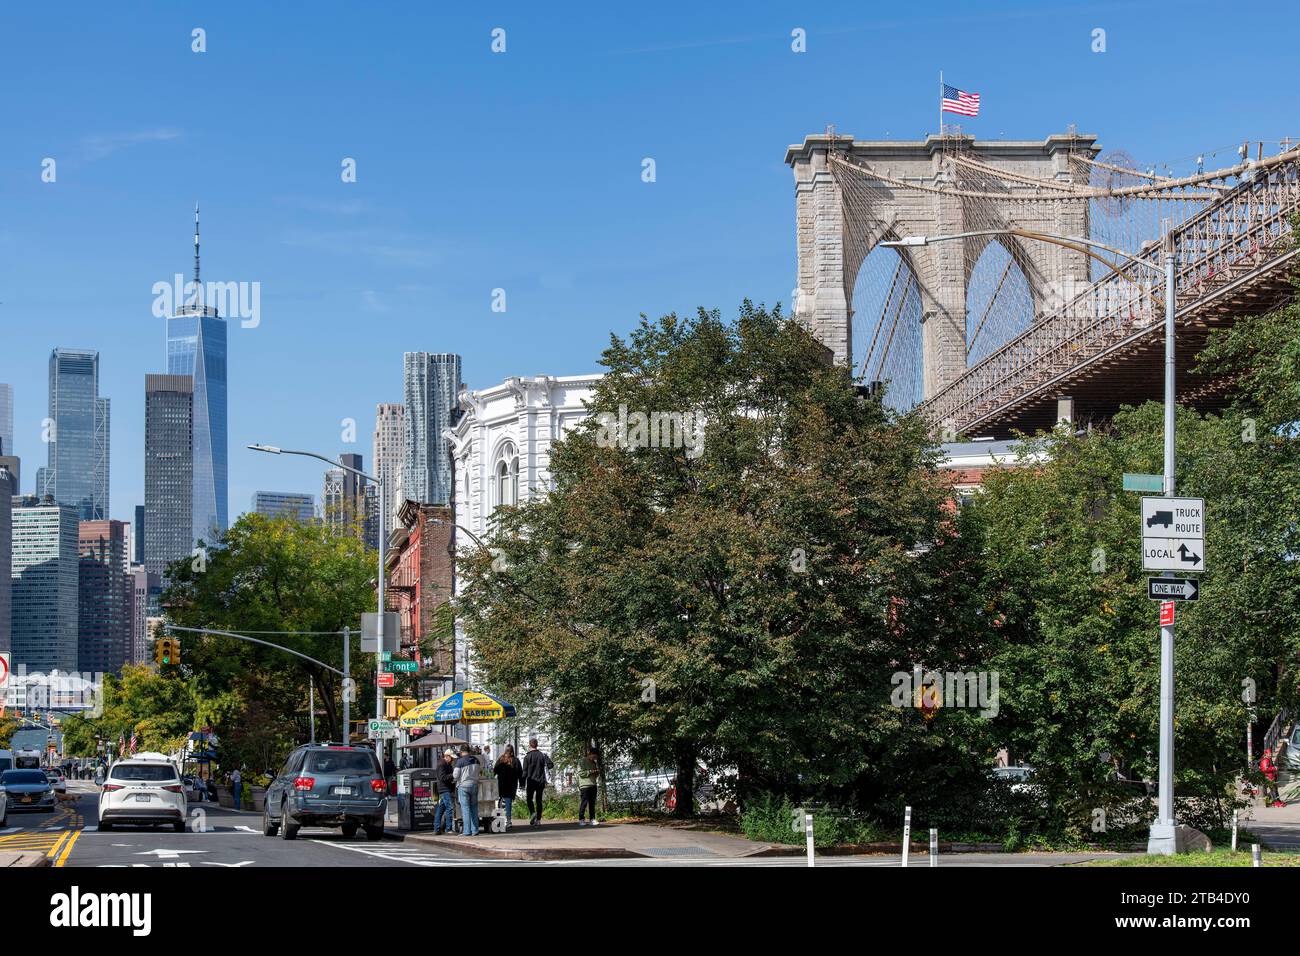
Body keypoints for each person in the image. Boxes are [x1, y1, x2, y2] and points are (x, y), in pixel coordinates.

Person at [522, 738, 554, 826]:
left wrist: (522, 783)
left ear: (529, 745)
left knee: (529, 799)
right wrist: (545, 768)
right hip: (541, 781)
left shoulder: (527, 757)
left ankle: (533, 813)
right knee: (539, 800)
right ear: (537, 745)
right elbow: (551, 765)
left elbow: (524, 772)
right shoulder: (542, 755)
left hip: (531, 781)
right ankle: (539, 820)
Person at [453, 745, 482, 835]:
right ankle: (475, 830)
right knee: (474, 808)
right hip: (474, 785)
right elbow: (480, 772)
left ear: (461, 752)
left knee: (465, 809)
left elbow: (455, 775)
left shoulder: (460, 761)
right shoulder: (476, 760)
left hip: (464, 786)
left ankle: (467, 831)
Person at [493, 745, 523, 827]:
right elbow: (520, 773)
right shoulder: (516, 761)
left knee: (499, 802)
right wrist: (522, 784)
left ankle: (499, 820)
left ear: (505, 750)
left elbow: (495, 770)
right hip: (511, 784)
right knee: (508, 802)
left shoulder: (500, 759)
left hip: (501, 784)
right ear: (512, 751)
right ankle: (508, 821)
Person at [576, 746, 601, 827]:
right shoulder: (582, 761)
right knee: (584, 802)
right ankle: (581, 819)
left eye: (596, 757)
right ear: (590, 754)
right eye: (594, 756)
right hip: (585, 785)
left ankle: (592, 819)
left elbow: (594, 775)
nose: (595, 758)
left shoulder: (594, 763)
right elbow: (581, 773)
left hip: (593, 784)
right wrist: (591, 771)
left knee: (592, 803)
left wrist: (597, 773)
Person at [434, 749, 456, 834]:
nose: (453, 759)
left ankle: (437, 828)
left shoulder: (447, 764)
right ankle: (448, 829)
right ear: (447, 756)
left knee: (441, 809)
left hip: (446, 788)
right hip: (444, 789)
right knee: (449, 808)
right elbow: (442, 777)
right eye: (452, 758)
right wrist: (452, 775)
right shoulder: (441, 764)